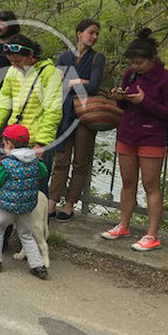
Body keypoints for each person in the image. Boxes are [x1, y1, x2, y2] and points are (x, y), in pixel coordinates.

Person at [0, 33, 63, 249]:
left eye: (18, 62)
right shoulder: (12, 72)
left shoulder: (49, 74)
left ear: (31, 55)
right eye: (12, 63)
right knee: (3, 187)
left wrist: (42, 143)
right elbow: (3, 104)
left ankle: (33, 242)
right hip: (11, 140)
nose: (15, 66)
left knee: (35, 191)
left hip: (35, 142)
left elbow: (53, 110)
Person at [100, 28, 168, 252]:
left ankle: (152, 234)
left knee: (150, 185)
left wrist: (145, 101)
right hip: (127, 133)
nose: (134, 67)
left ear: (152, 59)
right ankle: (123, 225)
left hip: (152, 137)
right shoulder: (131, 75)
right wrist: (120, 99)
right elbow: (125, 106)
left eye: (139, 63)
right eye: (132, 63)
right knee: (127, 182)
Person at [49, 18, 106, 222]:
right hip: (64, 114)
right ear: (79, 33)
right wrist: (79, 81)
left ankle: (70, 203)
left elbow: (93, 87)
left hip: (85, 115)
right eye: (91, 32)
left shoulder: (97, 58)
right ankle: (52, 201)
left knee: (80, 162)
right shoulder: (64, 57)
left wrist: (71, 82)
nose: (95, 37)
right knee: (61, 160)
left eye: (97, 33)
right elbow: (54, 84)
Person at [0, 124, 49, 279]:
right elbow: (44, 173)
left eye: (4, 143)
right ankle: (38, 265)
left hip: (6, 207)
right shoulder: (35, 162)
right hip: (26, 208)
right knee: (26, 235)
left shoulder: (7, 164)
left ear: (9, 144)